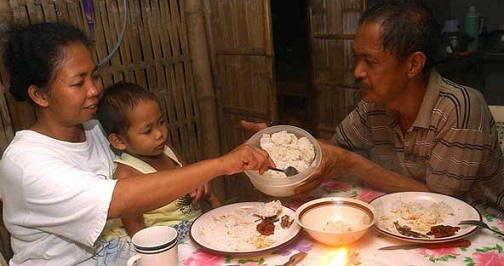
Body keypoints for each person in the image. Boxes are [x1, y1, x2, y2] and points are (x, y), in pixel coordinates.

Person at [0, 22, 271, 265]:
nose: (94, 90)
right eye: (78, 83)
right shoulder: (25, 165)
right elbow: (118, 200)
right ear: (40, 95)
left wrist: (197, 174)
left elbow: (156, 162)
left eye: (94, 76)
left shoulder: (96, 130)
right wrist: (220, 165)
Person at [242, 0, 504, 217]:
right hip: (407, 218)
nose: (357, 72)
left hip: (483, 227)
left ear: (413, 65)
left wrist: (354, 164)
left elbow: (442, 205)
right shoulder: (375, 106)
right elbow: (335, 150)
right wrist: (282, 144)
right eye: (357, 58)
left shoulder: (460, 110)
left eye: (371, 61)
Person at [96, 81, 220, 240]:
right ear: (119, 141)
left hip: (199, 230)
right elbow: (137, 231)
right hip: (165, 243)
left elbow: (199, 184)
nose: (159, 134)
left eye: (161, 123)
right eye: (148, 131)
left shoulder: (169, 152)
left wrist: (217, 209)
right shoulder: (127, 175)